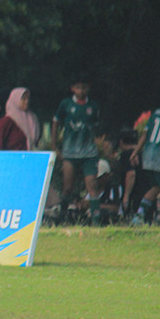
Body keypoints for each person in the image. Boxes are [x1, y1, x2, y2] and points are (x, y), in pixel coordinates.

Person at [51, 74, 103, 223]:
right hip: (70, 152)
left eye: (84, 87)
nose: (81, 91)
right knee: (67, 187)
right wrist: (54, 144)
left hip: (88, 153)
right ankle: (61, 216)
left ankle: (96, 221)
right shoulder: (66, 104)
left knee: (92, 186)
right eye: (78, 87)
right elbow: (55, 122)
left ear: (89, 88)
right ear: (72, 88)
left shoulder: (93, 106)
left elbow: (96, 127)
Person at [130, 100, 160, 225]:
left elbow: (145, 134)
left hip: (148, 157)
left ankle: (139, 215)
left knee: (156, 187)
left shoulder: (156, 113)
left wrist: (135, 152)